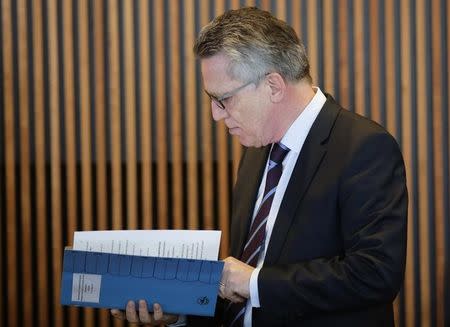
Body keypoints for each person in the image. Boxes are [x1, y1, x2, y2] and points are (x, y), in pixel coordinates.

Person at [111, 7, 408, 327]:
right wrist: (179, 314)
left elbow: (374, 274)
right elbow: (241, 297)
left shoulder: (363, 147)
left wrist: (254, 283)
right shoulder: (255, 154)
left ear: (274, 86)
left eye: (223, 99)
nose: (215, 114)